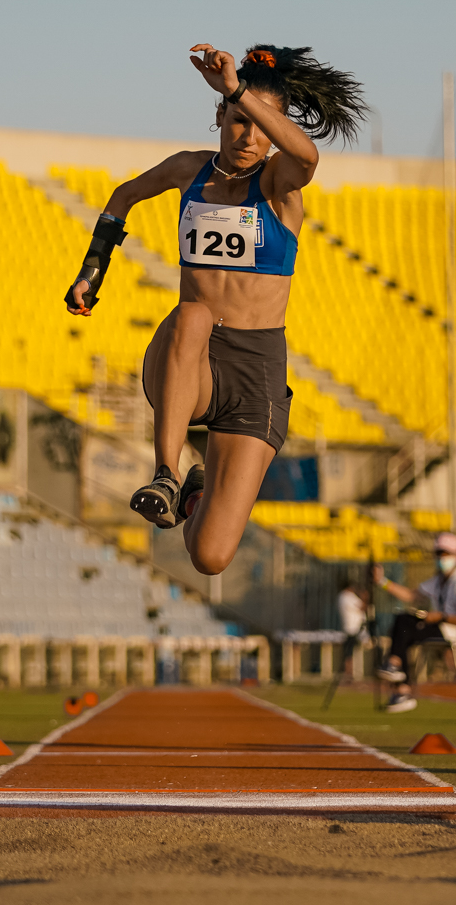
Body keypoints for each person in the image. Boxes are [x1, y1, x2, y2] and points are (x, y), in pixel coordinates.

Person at [67, 44, 367, 575]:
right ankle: (165, 472)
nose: (249, 136)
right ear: (218, 119)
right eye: (236, 121)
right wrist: (93, 271)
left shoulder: (279, 185)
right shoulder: (188, 172)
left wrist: (238, 90)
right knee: (194, 313)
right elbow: (122, 195)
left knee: (209, 556)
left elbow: (308, 157)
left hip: (257, 374)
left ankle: (193, 495)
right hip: (191, 359)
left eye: (260, 124)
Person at [372, 533, 456, 713]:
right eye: (439, 554)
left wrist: (440, 617)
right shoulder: (439, 580)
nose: (441, 558)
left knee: (404, 626)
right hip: (439, 625)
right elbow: (411, 596)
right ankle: (398, 678)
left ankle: (398, 677)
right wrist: (382, 582)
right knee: (403, 625)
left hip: (451, 631)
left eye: (446, 554)